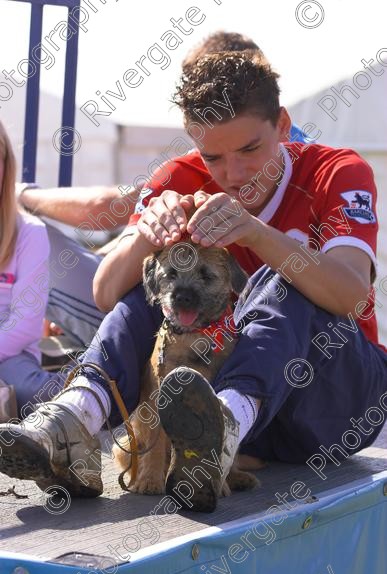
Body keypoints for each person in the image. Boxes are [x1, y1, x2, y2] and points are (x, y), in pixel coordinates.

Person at [1, 49, 385, 513]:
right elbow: (105, 293)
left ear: (283, 126)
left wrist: (258, 233)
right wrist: (146, 236)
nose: (233, 174)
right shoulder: (179, 178)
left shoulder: (336, 171)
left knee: (283, 280)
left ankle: (224, 422)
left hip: (335, 400)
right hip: (236, 418)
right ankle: (76, 416)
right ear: (192, 143)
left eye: (249, 150)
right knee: (159, 290)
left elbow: (350, 294)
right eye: (213, 157)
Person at [16, 32, 311, 347]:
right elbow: (134, 221)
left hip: (229, 333)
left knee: (26, 233)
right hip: (247, 329)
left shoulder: (214, 158)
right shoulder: (291, 147)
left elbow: (112, 204)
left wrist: (21, 195)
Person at [0, 120, 70, 422]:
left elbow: (26, 323)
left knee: (33, 393)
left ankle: (88, 399)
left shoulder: (30, 232)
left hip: (12, 356)